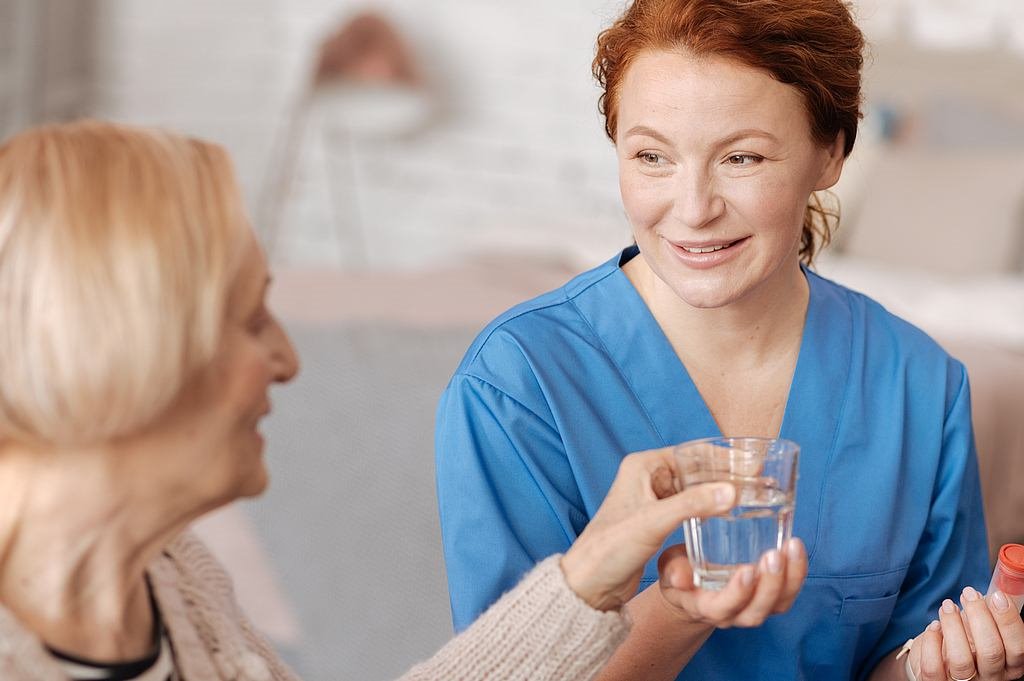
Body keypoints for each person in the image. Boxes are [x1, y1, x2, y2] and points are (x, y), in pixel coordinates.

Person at [0, 120, 741, 680]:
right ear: (126, 347)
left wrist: (589, 577)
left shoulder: (173, 581)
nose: (288, 360)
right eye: (251, 320)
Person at [435, 1, 1024, 680]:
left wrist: (938, 666)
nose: (693, 209)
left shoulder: (919, 386)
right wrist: (682, 609)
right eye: (652, 156)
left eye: (741, 157)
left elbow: (905, 657)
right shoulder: (514, 385)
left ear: (831, 153)